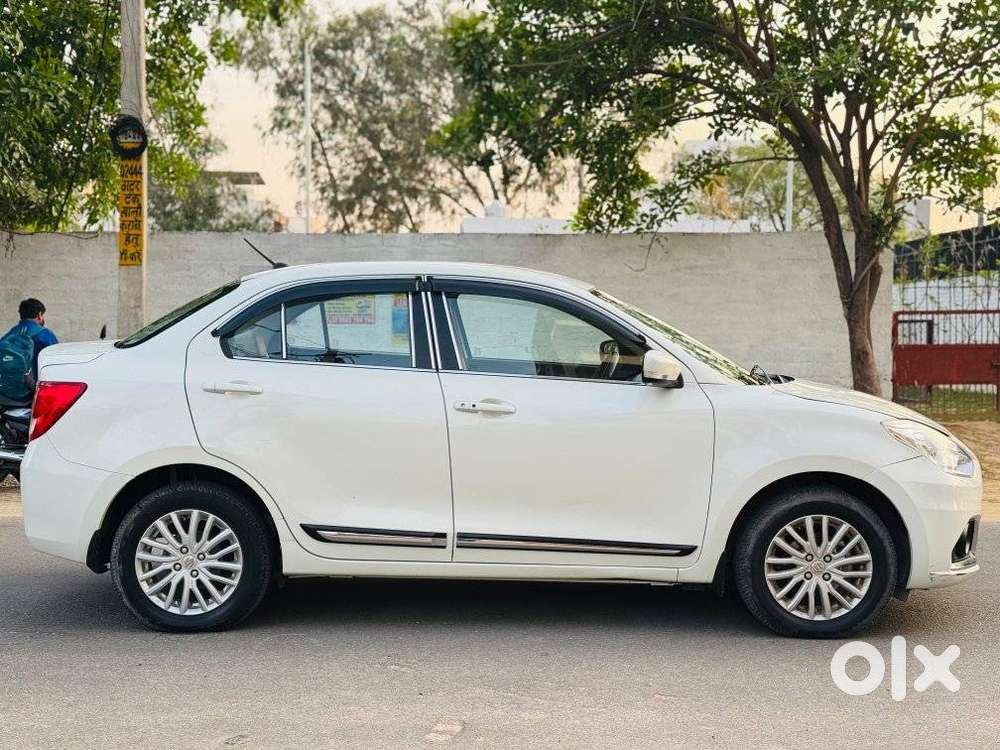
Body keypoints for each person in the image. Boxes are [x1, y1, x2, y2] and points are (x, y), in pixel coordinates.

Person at [0, 299, 58, 401]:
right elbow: (56, 364)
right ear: (39, 315)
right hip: (34, 393)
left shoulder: (9, 336)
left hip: (6, 394)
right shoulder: (45, 334)